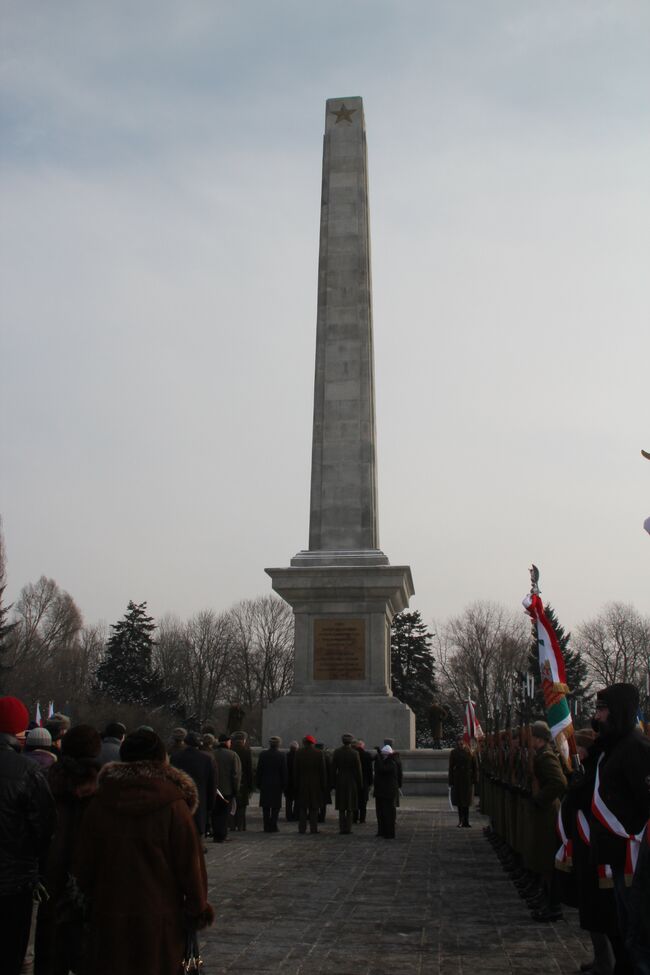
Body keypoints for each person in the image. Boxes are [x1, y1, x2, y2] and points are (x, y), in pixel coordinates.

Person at [73, 728, 214, 975]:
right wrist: (196, 910)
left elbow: (83, 865)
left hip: (109, 915)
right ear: (161, 758)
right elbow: (191, 867)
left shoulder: (99, 802)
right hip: (160, 920)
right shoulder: (173, 806)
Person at [590, 683, 650, 971]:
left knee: (639, 935)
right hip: (617, 856)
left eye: (602, 709)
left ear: (618, 712)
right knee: (626, 930)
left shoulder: (635, 748)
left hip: (635, 858)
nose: (597, 716)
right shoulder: (612, 748)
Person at [34, 724, 102, 975]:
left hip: (51, 871)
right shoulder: (103, 786)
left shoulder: (47, 779)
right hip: (88, 877)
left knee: (50, 947)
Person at [0, 696, 56, 975]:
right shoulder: (28, 771)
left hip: (16, 875)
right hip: (15, 882)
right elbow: (44, 827)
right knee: (11, 953)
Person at [527, 720, 567, 923]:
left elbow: (559, 781)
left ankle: (553, 905)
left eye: (532, 736)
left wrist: (540, 798)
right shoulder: (540, 755)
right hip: (544, 810)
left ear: (539, 738)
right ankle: (546, 900)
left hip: (548, 811)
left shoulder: (546, 757)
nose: (530, 740)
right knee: (543, 857)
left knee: (548, 858)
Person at [170, 731, 216, 838]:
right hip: (201, 800)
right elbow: (211, 784)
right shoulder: (206, 759)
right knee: (197, 832)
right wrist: (211, 803)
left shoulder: (176, 757)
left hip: (180, 800)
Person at [294, 735, 327, 834]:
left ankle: (302, 828)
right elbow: (323, 771)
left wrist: (296, 784)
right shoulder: (319, 753)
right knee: (314, 807)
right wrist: (323, 785)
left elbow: (295, 771)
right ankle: (314, 828)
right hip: (315, 784)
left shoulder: (299, 753)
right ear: (313, 743)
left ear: (304, 743)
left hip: (302, 783)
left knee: (303, 808)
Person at [212, 733, 241, 842]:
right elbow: (236, 775)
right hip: (227, 790)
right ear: (228, 742)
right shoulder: (233, 755)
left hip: (214, 789)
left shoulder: (212, 754)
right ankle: (222, 835)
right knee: (224, 814)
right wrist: (236, 789)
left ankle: (216, 834)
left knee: (215, 813)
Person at [332, 733, 363, 835]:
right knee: (349, 806)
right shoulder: (355, 753)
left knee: (341, 806)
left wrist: (333, 782)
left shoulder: (337, 752)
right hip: (351, 781)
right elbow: (358, 770)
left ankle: (341, 828)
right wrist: (360, 783)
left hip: (340, 780)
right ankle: (348, 828)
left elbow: (333, 769)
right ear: (351, 741)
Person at [256, 736, 288, 832]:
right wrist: (284, 785)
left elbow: (259, 771)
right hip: (276, 784)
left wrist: (258, 783)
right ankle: (273, 825)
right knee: (275, 807)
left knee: (266, 807)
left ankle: (266, 826)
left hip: (265, 783)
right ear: (278, 744)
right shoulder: (281, 755)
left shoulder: (263, 755)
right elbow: (284, 772)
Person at [448, 735, 478, 828]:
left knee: (467, 801)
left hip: (467, 779)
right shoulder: (453, 752)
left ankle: (466, 821)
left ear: (464, 742)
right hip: (458, 779)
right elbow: (451, 768)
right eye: (458, 741)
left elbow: (475, 767)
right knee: (460, 801)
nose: (460, 743)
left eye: (461, 741)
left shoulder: (470, 752)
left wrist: (475, 778)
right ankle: (461, 820)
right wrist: (451, 781)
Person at [373, 744, 402, 838]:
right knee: (381, 813)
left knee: (388, 814)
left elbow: (382, 769)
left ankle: (389, 833)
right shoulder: (387, 760)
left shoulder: (392, 762)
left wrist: (379, 757)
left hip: (388, 792)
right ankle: (382, 831)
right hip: (381, 791)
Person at [230, 731, 254, 831]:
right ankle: (241, 825)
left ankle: (232, 825)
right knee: (242, 805)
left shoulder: (230, 750)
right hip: (243, 782)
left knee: (232, 804)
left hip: (231, 781)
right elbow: (249, 769)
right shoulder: (247, 751)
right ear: (244, 740)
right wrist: (251, 785)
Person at [353, 739, 374, 824]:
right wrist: (370, 782)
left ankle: (354, 818)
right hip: (365, 782)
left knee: (355, 801)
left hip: (354, 781)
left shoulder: (353, 754)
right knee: (363, 802)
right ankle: (362, 819)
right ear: (362, 746)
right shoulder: (367, 755)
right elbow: (370, 770)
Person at [285, 741, 299, 822]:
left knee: (288, 801)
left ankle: (289, 816)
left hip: (288, 782)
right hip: (296, 781)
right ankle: (296, 815)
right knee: (297, 800)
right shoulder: (299, 757)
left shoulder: (286, 756)